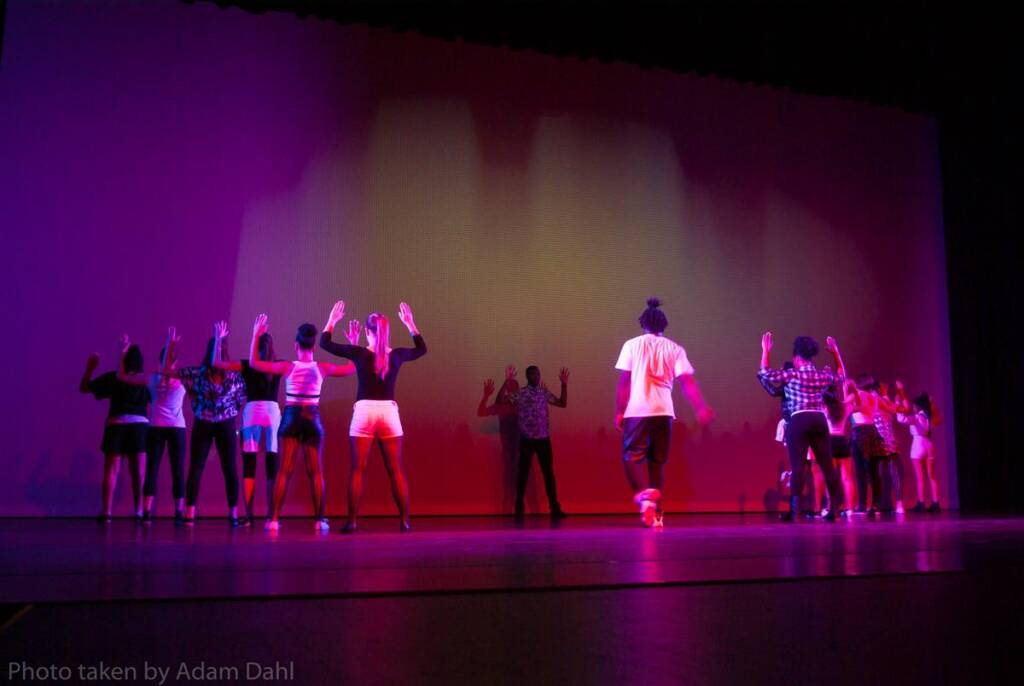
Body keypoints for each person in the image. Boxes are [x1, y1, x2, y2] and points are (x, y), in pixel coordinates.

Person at [320, 300, 427, 532]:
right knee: (396, 469)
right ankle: (404, 521)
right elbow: (421, 349)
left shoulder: (358, 353)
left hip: (364, 411)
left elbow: (324, 342)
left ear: (367, 332)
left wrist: (332, 319)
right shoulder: (397, 356)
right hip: (389, 412)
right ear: (387, 332)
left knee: (358, 469)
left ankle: (352, 521)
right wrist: (410, 324)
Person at [246, 315, 356, 532]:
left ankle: (274, 520)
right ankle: (319, 520)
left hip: (291, 418)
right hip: (311, 418)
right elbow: (351, 368)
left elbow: (253, 364)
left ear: (296, 345)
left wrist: (255, 335)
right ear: (314, 346)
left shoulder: (287, 367)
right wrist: (352, 343)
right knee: (315, 472)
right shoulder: (322, 367)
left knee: (283, 471)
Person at [615, 298, 714, 528]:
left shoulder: (632, 345)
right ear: (663, 326)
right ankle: (658, 513)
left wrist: (619, 411)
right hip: (664, 412)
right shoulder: (674, 348)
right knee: (656, 463)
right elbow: (687, 382)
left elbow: (624, 382)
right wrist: (701, 407)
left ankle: (644, 499)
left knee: (629, 459)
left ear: (643, 324)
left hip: (638, 411)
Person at [162, 327, 247, 526]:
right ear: (223, 352)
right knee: (229, 469)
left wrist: (170, 344)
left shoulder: (196, 373)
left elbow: (167, 371)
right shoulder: (233, 375)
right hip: (225, 423)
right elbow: (241, 398)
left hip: (205, 423)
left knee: (197, 468)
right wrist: (229, 410)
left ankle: (190, 514)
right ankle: (233, 515)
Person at [758, 331, 846, 522]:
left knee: (798, 467)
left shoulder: (793, 374)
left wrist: (765, 351)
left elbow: (765, 373)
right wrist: (836, 354)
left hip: (799, 420)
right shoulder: (822, 376)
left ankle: (795, 511)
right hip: (819, 420)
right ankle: (835, 510)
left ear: (797, 359)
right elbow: (841, 377)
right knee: (827, 466)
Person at [210, 320, 283, 527]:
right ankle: (271, 516)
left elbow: (217, 364)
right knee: (271, 465)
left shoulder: (249, 364)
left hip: (252, 412)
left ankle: (249, 516)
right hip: (272, 412)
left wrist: (218, 340)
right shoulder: (278, 365)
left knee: (249, 465)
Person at [80, 335, 151, 522]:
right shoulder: (145, 381)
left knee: (111, 471)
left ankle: (107, 512)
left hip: (116, 425)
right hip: (139, 426)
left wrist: (90, 368)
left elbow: (84, 388)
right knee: (139, 473)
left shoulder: (114, 378)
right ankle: (139, 511)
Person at [502, 365, 570, 521]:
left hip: (543, 440)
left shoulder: (543, 392)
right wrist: (507, 381)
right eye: (532, 374)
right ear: (528, 377)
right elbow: (500, 400)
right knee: (523, 475)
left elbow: (562, 403)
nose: (536, 377)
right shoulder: (521, 393)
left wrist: (564, 384)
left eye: (537, 374)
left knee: (548, 475)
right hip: (527, 440)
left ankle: (555, 508)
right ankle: (519, 508)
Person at [900, 392, 942, 513]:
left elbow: (902, 419)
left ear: (918, 406)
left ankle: (921, 503)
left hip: (918, 445)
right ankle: (936, 502)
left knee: (920, 477)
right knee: (932, 476)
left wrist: (898, 406)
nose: (913, 408)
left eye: (914, 406)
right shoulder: (930, 416)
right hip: (929, 444)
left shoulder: (917, 416)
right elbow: (937, 422)